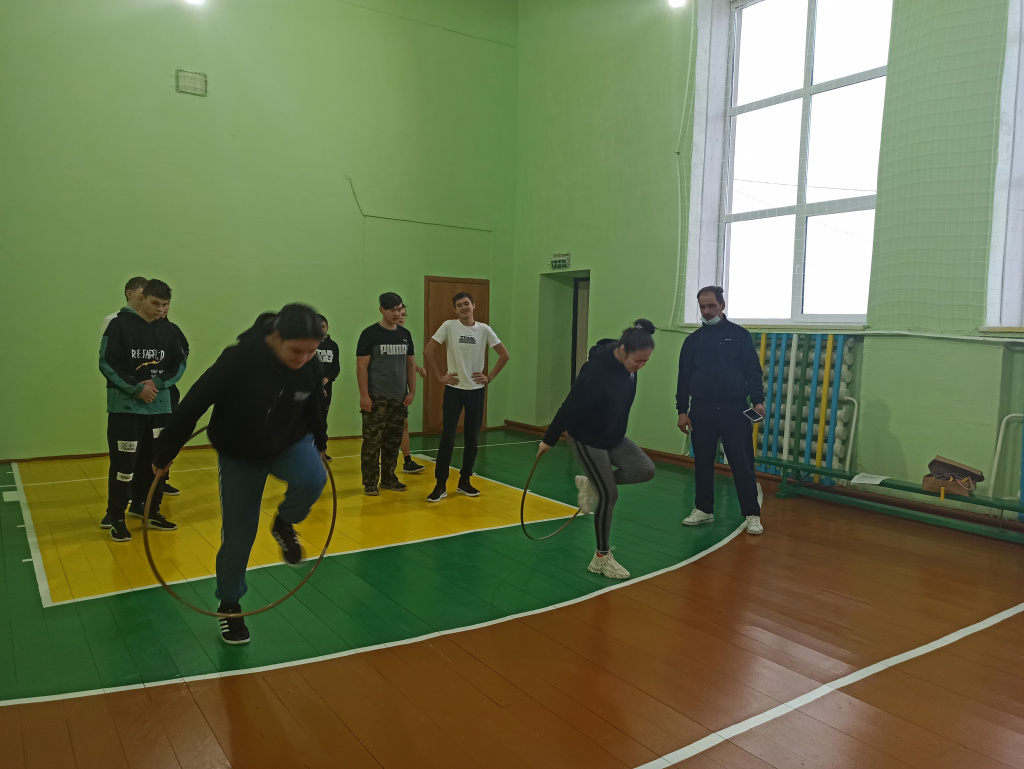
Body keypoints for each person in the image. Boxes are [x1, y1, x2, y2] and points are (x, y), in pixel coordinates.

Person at [152, 304, 328, 645]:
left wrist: (320, 441)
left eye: (312, 351)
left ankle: (284, 523)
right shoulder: (239, 359)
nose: (305, 359)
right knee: (238, 536)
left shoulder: (309, 362)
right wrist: (166, 450)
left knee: (313, 479)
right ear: (277, 337)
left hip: (287, 443)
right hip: (239, 454)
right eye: (297, 351)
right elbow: (195, 402)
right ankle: (230, 604)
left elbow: (312, 404)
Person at [537, 320, 656, 579]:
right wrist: (549, 439)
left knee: (645, 469)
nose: (641, 366)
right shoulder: (595, 371)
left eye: (646, 361)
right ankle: (601, 559)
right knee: (609, 494)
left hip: (613, 436)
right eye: (638, 361)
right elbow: (570, 406)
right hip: (587, 438)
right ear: (622, 350)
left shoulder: (629, 363)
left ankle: (592, 483)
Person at [99, 279, 187, 541]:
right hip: (126, 408)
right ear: (141, 299)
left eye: (165, 304)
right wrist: (136, 388)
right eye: (155, 303)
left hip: (160, 409)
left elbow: (179, 364)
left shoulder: (170, 330)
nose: (160, 309)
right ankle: (116, 517)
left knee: (156, 464)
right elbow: (107, 363)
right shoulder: (118, 325)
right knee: (124, 466)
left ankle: (150, 510)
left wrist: (158, 384)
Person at [676, 286, 765, 535]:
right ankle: (704, 509)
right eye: (702, 307)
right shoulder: (692, 341)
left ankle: (752, 514)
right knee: (703, 462)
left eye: (711, 306)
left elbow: (753, 371)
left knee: (742, 463)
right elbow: (683, 378)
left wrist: (757, 401)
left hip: (734, 409)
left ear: (722, 305)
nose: (706, 311)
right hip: (701, 410)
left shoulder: (739, 335)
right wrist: (682, 410)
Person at [424, 292, 510, 502]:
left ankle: (465, 481)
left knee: (472, 439)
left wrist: (489, 377)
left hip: (476, 392)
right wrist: (440, 376)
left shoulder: (484, 329)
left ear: (473, 305)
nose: (463, 307)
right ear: (455, 309)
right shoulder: (449, 326)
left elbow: (504, 354)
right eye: (459, 305)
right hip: (454, 391)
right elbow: (428, 351)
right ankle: (440, 485)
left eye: (466, 304)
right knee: (448, 438)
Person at [356, 292, 417, 495]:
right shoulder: (370, 334)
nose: (397, 314)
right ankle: (370, 482)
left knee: (392, 442)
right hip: (376, 398)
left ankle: (389, 478)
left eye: (399, 309)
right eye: (392, 310)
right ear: (381, 310)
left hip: (399, 399)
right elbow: (362, 367)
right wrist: (364, 395)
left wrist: (412, 391)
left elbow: (410, 365)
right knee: (372, 443)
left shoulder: (405, 334)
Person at [397, 305, 426, 474]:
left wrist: (417, 368)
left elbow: (406, 362)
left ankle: (407, 461)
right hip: (383, 390)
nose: (401, 317)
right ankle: (380, 462)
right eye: (398, 313)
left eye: (404, 314)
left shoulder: (405, 336)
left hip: (401, 389)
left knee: (403, 424)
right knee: (386, 427)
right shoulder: (380, 335)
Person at [315, 314, 341, 460]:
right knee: (310, 419)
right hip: (311, 389)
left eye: (323, 326)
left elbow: (336, 367)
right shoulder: (308, 344)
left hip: (326, 388)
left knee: (322, 419)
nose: (321, 329)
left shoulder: (333, 346)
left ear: (327, 327)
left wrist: (327, 379)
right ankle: (309, 451)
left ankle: (321, 450)